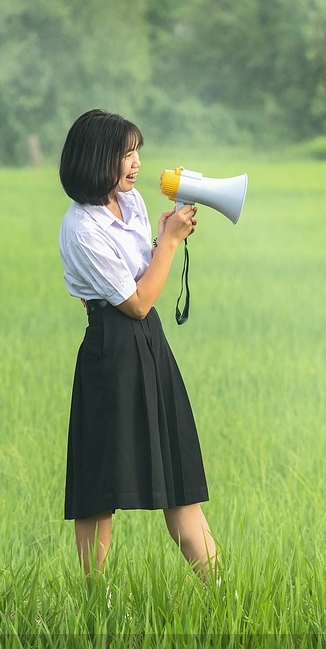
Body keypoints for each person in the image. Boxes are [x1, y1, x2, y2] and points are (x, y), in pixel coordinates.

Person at [58, 108, 219, 584]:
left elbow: (144, 275)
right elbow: (138, 302)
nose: (136, 164)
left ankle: (225, 598)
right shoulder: (82, 229)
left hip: (151, 348)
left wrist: (164, 237)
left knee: (180, 480)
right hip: (112, 351)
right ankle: (95, 601)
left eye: (136, 153)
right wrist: (168, 244)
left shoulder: (131, 205)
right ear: (95, 159)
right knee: (98, 486)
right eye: (125, 154)